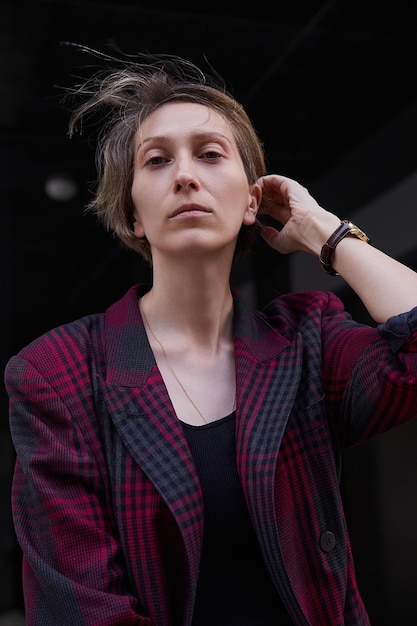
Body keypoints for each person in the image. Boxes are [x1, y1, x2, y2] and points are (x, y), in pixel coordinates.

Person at [4, 48, 417, 626]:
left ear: (253, 200)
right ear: (132, 215)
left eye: (210, 153)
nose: (186, 175)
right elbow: (81, 608)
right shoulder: (59, 372)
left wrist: (325, 231)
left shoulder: (307, 339)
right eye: (156, 162)